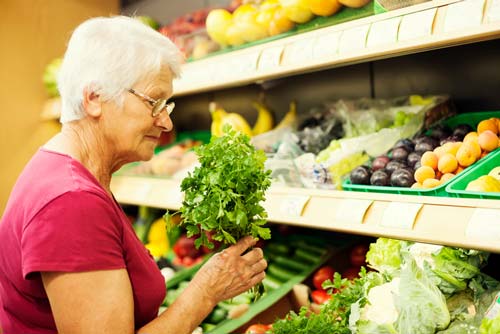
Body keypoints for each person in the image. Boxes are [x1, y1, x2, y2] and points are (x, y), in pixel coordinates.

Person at [0, 16, 267, 334]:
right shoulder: (70, 202)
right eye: (154, 103)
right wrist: (205, 292)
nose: (166, 123)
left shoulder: (70, 173)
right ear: (95, 98)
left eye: (167, 106)